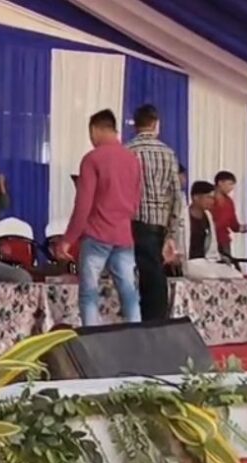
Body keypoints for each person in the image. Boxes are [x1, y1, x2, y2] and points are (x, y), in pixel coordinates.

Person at [55, 110, 142, 326]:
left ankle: (92, 338)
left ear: (95, 130)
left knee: (89, 293)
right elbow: (136, 201)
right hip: (123, 235)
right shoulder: (132, 160)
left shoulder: (92, 159)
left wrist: (68, 239)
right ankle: (136, 334)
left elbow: (83, 204)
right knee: (129, 291)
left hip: (97, 234)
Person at [127, 104, 184, 321]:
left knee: (133, 278)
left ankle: (136, 323)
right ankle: (155, 326)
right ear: (156, 124)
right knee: (155, 280)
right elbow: (175, 196)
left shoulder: (127, 151)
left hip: (131, 225)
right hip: (157, 227)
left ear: (136, 125)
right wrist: (172, 234)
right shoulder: (168, 153)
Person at [181, 182, 242, 280]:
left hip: (206, 261)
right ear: (196, 198)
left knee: (236, 275)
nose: (212, 201)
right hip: (188, 261)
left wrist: (219, 257)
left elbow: (212, 245)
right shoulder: (181, 216)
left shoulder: (208, 216)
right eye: (208, 197)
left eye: (213, 198)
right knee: (211, 277)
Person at [210, 171, 247, 259]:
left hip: (224, 241)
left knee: (226, 265)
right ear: (220, 183)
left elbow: (234, 225)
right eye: (230, 184)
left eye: (233, 185)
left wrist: (242, 228)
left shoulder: (229, 202)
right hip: (209, 240)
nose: (231, 188)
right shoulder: (208, 199)